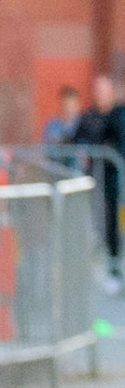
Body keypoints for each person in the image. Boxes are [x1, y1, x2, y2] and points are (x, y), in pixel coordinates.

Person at [73, 75, 124, 292]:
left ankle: (115, 270)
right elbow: (77, 140)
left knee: (115, 226)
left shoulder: (120, 115)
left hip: (116, 181)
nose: (99, 95)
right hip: (97, 184)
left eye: (103, 91)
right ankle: (105, 270)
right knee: (99, 225)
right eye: (97, 91)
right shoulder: (89, 117)